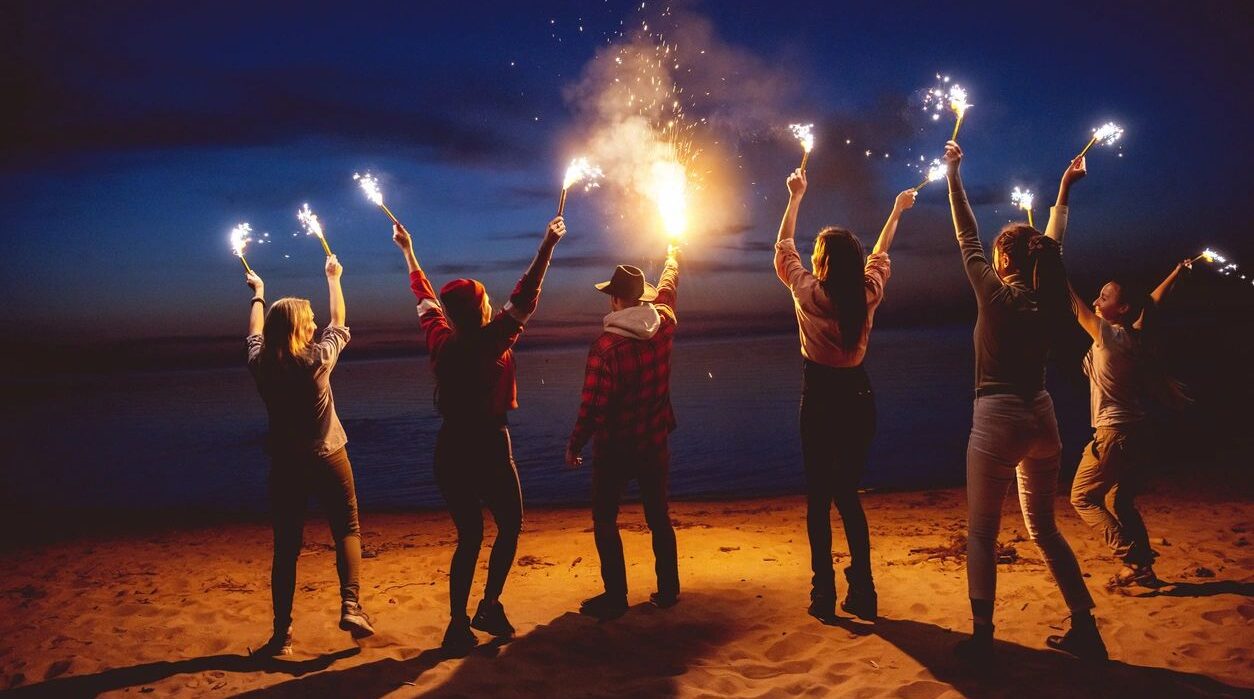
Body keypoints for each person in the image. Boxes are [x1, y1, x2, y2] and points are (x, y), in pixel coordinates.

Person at [944, 141, 1107, 661]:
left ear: (1005, 258)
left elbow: (965, 231)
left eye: (996, 253)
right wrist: (1062, 192)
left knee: (981, 534)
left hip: (996, 418)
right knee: (1044, 529)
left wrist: (954, 174)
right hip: (1041, 415)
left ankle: (983, 638)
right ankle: (1085, 625)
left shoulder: (994, 293)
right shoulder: (1047, 296)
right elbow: (1051, 247)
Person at [395, 216, 566, 653]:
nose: (494, 303)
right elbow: (527, 294)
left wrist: (407, 250)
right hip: (488, 445)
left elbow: (424, 295)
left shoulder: (442, 337)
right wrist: (547, 243)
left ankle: (457, 625)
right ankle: (488, 605)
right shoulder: (488, 342)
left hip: (450, 448)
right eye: (487, 300)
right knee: (510, 525)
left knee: (469, 537)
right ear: (479, 311)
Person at [773, 167, 916, 622]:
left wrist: (795, 198)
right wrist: (895, 211)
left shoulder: (807, 291)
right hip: (858, 397)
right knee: (847, 495)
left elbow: (783, 249)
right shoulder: (867, 292)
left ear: (822, 262)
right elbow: (880, 254)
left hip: (819, 398)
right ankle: (865, 590)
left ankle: (822, 593)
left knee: (819, 498)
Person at [244, 255, 374, 657]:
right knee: (347, 528)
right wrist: (334, 278)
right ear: (300, 328)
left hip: (286, 465)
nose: (316, 323)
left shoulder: (261, 364)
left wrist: (259, 295)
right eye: (309, 320)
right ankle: (351, 605)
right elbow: (339, 321)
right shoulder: (317, 361)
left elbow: (254, 334)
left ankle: (281, 635)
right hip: (328, 455)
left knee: (286, 547)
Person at [565, 243, 681, 620]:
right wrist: (672, 257)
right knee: (658, 516)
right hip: (654, 440)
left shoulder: (605, 348)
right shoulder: (664, 322)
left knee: (604, 518)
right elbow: (668, 287)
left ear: (616, 301)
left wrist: (574, 444)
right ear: (641, 298)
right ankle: (668, 590)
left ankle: (616, 597)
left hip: (615, 447)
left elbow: (592, 405)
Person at [1066, 254, 1192, 589]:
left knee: (1082, 497)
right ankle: (1145, 568)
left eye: (1104, 297)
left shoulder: (1106, 335)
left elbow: (1073, 303)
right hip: (1138, 433)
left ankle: (1134, 561)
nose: (1096, 300)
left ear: (1121, 309)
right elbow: (1151, 302)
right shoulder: (1135, 335)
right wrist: (1176, 271)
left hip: (1114, 433)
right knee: (1117, 500)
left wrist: (1048, 263)